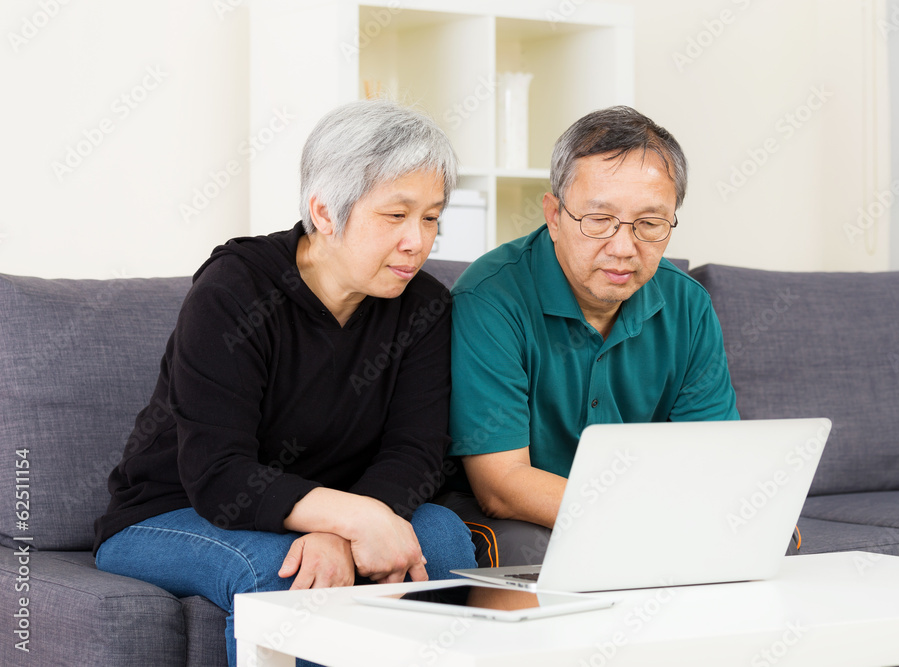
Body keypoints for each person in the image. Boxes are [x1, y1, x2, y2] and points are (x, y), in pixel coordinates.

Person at [93, 99, 476, 666]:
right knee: (290, 574)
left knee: (441, 538)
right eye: (395, 216)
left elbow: (414, 451)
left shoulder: (424, 305)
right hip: (176, 509)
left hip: (327, 507)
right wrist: (357, 519)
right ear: (324, 211)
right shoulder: (235, 291)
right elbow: (219, 475)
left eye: (431, 217)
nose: (418, 242)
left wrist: (341, 526)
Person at [440, 106, 740, 567]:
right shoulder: (490, 298)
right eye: (598, 220)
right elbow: (501, 485)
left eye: (650, 224)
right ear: (555, 215)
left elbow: (713, 457)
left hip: (646, 511)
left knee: (771, 536)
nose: (623, 248)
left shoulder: (689, 306)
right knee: (531, 554)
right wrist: (645, 517)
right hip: (517, 513)